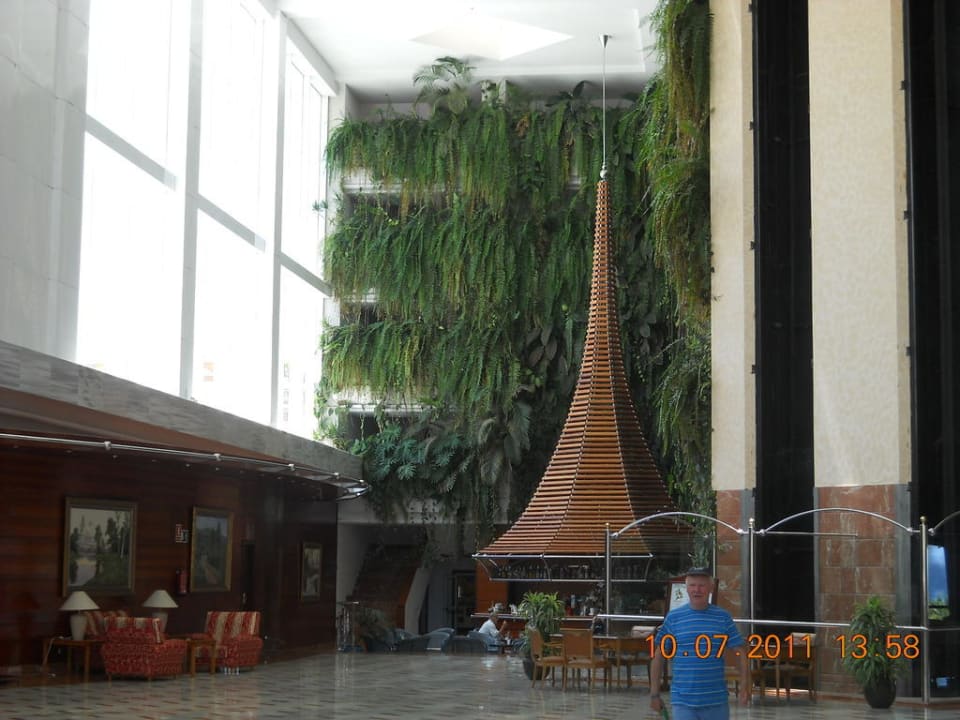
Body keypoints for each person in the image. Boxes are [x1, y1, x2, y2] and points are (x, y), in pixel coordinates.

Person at [649, 567, 750, 720]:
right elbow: (658, 657)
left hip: (716, 702)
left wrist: (745, 685)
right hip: (683, 702)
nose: (697, 590)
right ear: (686, 588)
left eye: (702, 585)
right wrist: (654, 694)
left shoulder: (723, 617)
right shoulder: (674, 618)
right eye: (692, 585)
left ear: (711, 588)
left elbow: (741, 652)